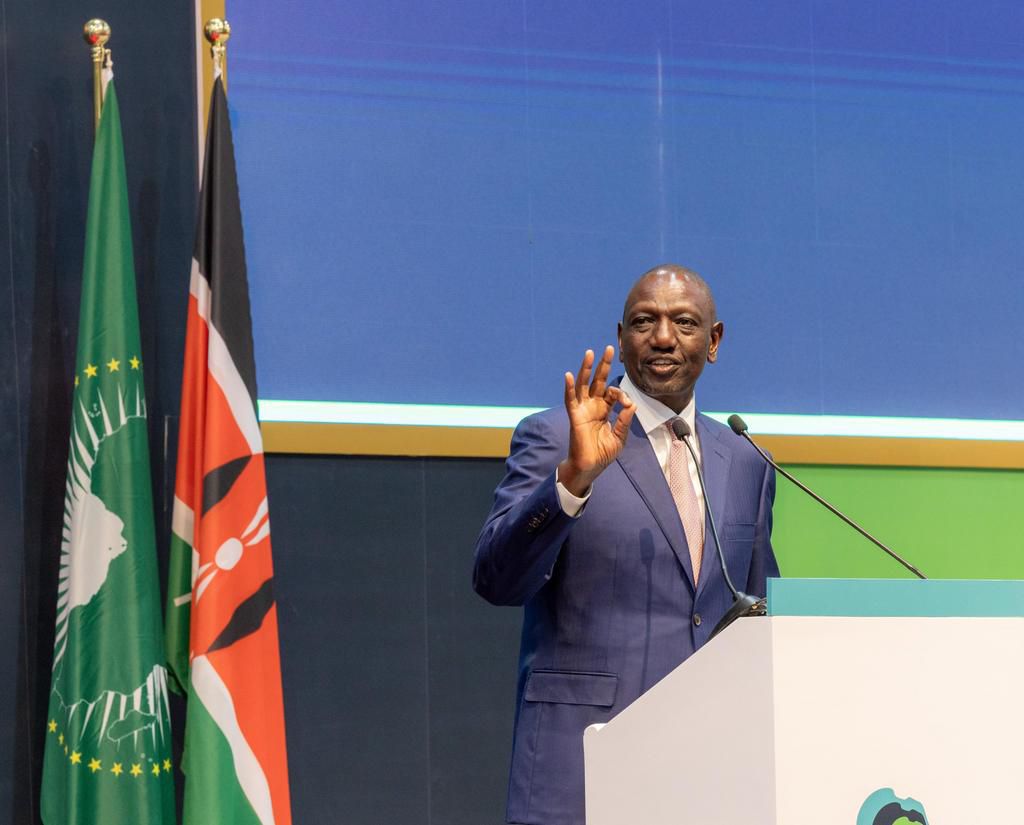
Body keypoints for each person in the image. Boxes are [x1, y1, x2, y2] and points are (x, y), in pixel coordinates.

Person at [473, 264, 780, 825]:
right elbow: (496, 580)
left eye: (684, 322)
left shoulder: (746, 460)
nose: (663, 337)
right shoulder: (557, 437)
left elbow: (757, 620)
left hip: (707, 776)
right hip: (582, 768)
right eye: (645, 322)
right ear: (621, 337)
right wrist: (570, 483)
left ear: (713, 342)